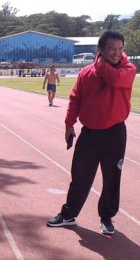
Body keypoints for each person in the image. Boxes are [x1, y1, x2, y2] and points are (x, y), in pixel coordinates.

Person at [46, 31, 137, 235]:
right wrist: (69, 124)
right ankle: (68, 214)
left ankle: (106, 218)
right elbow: (75, 99)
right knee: (80, 176)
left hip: (115, 134)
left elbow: (113, 79)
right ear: (101, 50)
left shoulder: (128, 69)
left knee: (112, 177)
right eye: (112, 49)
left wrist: (100, 63)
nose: (117, 53)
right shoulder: (86, 73)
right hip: (90, 134)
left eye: (121, 49)